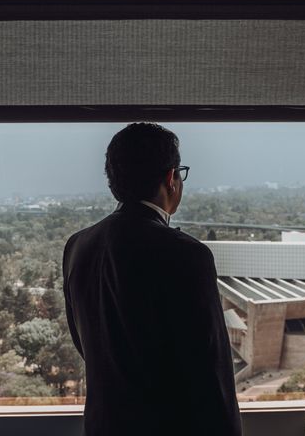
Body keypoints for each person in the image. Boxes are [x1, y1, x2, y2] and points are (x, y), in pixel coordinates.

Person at [63, 122, 242, 436]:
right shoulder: (186, 254)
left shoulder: (78, 246)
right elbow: (210, 371)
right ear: (171, 179)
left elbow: (87, 345)